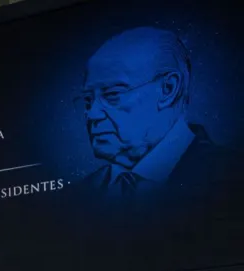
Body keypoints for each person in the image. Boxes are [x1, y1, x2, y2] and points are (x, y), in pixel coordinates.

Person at [79, 27, 228, 199]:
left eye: (113, 94)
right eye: (88, 100)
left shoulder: (233, 176)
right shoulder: (75, 198)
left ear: (168, 88)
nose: (92, 115)